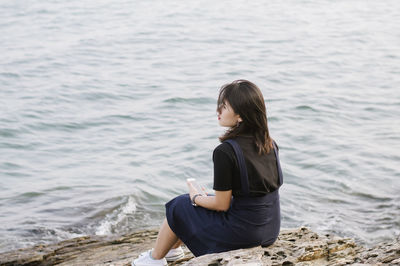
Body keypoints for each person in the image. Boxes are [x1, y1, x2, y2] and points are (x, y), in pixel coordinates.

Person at [132, 80, 283, 266]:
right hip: (270, 230)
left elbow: (221, 205)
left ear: (240, 116)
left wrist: (195, 197)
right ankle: (172, 250)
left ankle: (155, 259)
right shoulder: (270, 144)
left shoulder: (226, 151)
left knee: (179, 204)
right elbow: (249, 195)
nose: (218, 111)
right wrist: (203, 199)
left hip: (244, 234)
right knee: (199, 202)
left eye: (224, 106)